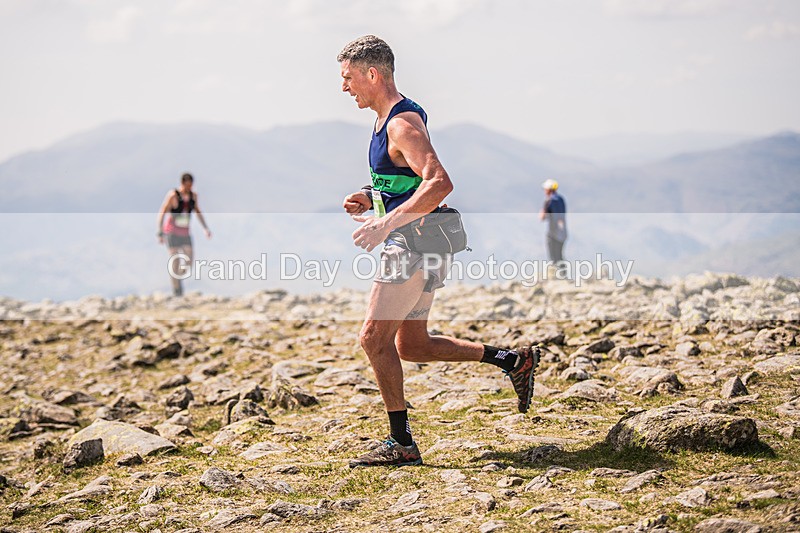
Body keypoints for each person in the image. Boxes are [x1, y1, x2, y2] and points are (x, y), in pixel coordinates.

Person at [338, 35, 540, 468]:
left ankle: (402, 444)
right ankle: (513, 360)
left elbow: (439, 183)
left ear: (372, 74)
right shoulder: (390, 119)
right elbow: (409, 181)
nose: (344, 87)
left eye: (348, 77)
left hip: (412, 244)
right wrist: (371, 196)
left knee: (373, 339)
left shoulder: (400, 124)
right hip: (423, 241)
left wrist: (385, 224)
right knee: (412, 345)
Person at [156, 173, 211, 296]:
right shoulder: (173, 195)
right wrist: (160, 232)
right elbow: (162, 212)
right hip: (172, 232)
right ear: (182, 183)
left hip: (185, 232)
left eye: (190, 185)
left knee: (189, 260)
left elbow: (198, 212)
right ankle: (177, 290)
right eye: (187, 185)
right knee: (175, 261)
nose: (189, 188)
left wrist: (205, 228)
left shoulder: (193, 196)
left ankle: (178, 277)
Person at [539, 178, 567, 266]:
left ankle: (555, 271)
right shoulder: (561, 199)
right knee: (559, 256)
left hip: (553, 233)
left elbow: (542, 217)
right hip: (563, 232)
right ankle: (563, 272)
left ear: (549, 190)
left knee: (553, 256)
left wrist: (542, 211)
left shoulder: (549, 201)